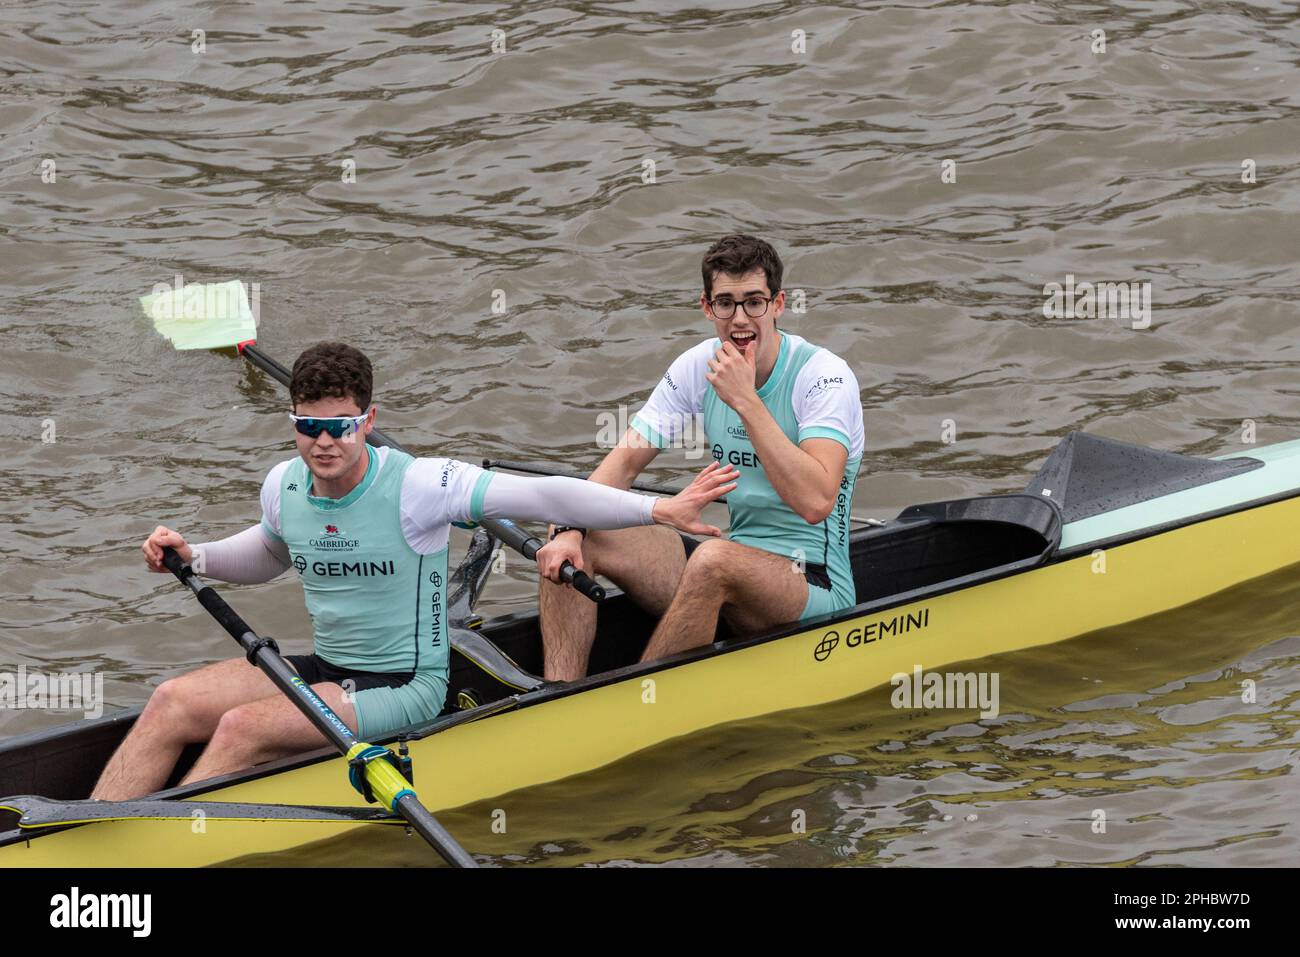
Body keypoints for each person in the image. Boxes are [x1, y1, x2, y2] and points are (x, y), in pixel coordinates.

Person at [92, 341, 736, 801]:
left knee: (241, 727)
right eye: (309, 427)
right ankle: (84, 839)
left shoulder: (424, 485)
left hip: (405, 687)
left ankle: (151, 861)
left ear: (368, 422)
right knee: (171, 700)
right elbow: (267, 553)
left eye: (340, 427)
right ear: (293, 424)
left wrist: (660, 507)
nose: (324, 442)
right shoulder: (282, 485)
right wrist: (194, 554)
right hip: (328, 669)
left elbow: (549, 498)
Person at [537, 234, 864, 678]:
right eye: (726, 303)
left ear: (779, 304)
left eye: (754, 302)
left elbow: (815, 502)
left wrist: (747, 401)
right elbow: (622, 466)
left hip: (812, 585)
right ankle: (558, 699)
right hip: (735, 567)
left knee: (713, 559)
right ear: (707, 308)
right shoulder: (696, 366)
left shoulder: (824, 377)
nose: (741, 318)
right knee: (570, 524)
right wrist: (570, 530)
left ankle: (631, 706)